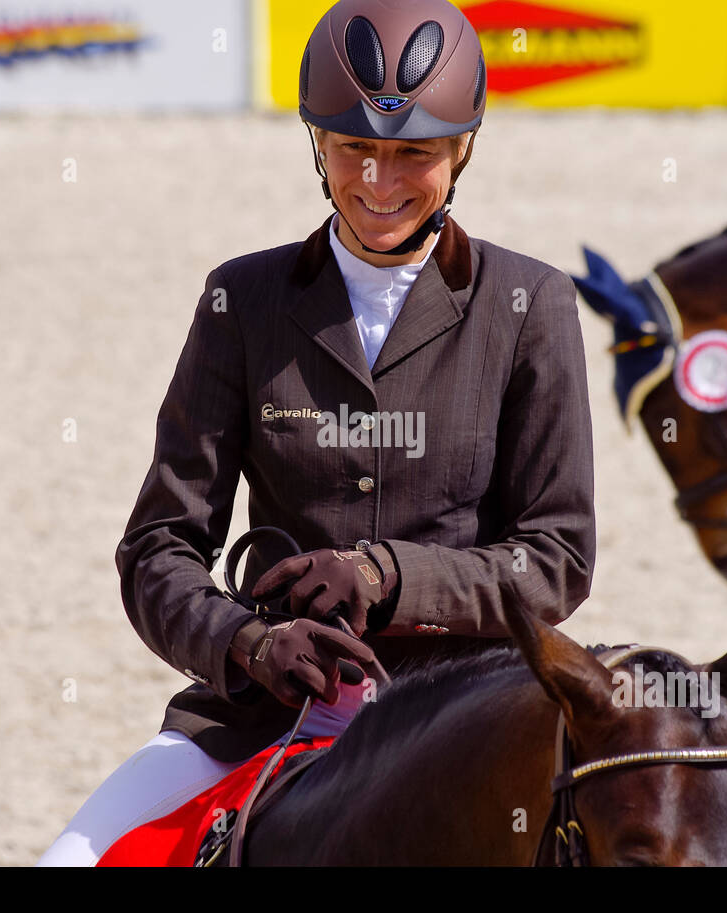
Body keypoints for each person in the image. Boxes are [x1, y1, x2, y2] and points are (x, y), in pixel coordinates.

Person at [37, 0, 595, 866]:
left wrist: (388, 574)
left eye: (413, 153)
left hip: (466, 707)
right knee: (68, 862)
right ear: (317, 144)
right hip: (270, 704)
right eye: (353, 149)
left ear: (463, 150)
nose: (378, 181)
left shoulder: (531, 305)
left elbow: (555, 560)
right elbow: (157, 549)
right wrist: (246, 641)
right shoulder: (243, 301)